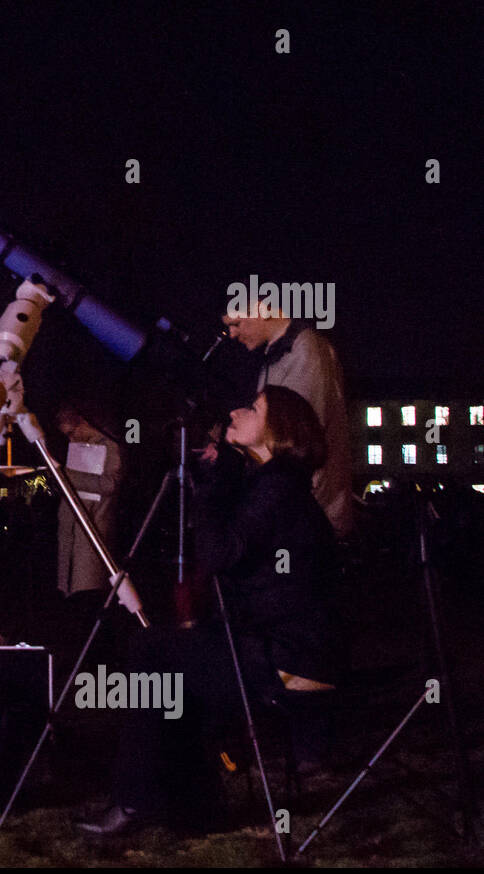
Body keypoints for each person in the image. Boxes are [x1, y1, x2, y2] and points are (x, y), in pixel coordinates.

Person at [76, 385, 341, 836]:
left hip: (289, 659)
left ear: (278, 432)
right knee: (175, 659)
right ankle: (188, 806)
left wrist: (212, 488)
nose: (236, 410)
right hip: (285, 648)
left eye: (254, 408)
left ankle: (138, 800)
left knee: (152, 651)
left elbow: (220, 551)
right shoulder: (276, 483)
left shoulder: (276, 487)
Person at [220, 300, 354, 538]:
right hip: (295, 512)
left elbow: (292, 437)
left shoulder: (306, 351)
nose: (232, 334)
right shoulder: (280, 354)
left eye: (237, 324)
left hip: (311, 514)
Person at [54, 407, 123, 601]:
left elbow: (110, 484)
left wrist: (70, 477)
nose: (71, 439)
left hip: (94, 525)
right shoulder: (79, 447)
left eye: (71, 433)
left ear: (84, 423)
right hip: (72, 528)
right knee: (71, 589)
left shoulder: (110, 445)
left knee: (88, 590)